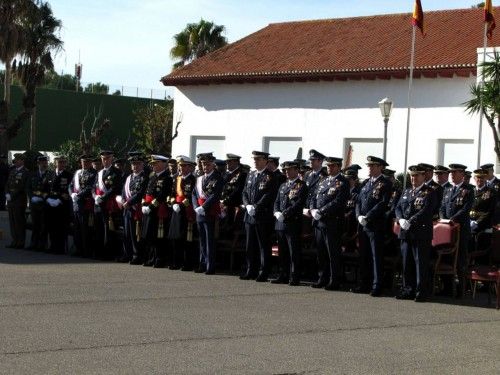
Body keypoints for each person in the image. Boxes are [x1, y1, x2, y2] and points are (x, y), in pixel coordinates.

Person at [395, 165, 435, 302]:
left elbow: (426, 211)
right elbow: (398, 207)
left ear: (424, 176)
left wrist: (411, 220)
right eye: (412, 175)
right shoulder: (406, 192)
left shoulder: (429, 192)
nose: (413, 178)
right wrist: (400, 219)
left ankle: (421, 291)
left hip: (421, 233)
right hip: (406, 232)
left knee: (420, 263)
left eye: (417, 175)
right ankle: (408, 290)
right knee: (406, 262)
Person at [354, 156, 392, 296]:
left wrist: (368, 216)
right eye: (368, 165)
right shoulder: (365, 183)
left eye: (372, 166)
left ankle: (377, 285)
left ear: (380, 167)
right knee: (364, 255)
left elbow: (382, 203)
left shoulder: (385, 183)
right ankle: (364, 283)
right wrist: (358, 215)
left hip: (375, 225)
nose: (369, 168)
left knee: (376, 256)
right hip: (363, 224)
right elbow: (358, 202)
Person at [309, 156, 349, 290]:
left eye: (332, 166)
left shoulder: (343, 182)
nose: (329, 168)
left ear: (338, 167)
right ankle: (322, 277)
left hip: (332, 222)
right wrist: (313, 209)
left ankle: (334, 280)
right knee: (321, 252)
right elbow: (314, 196)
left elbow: (338, 201)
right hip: (319, 222)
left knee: (332, 253)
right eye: (328, 166)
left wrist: (322, 210)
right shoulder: (323, 180)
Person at [241, 151, 280, 282]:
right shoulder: (251, 174)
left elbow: (269, 195)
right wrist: (247, 205)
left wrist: (256, 206)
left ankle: (263, 271)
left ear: (265, 161)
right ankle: (250, 270)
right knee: (249, 244)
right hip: (249, 215)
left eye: (258, 159)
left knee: (263, 245)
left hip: (262, 216)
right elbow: (245, 191)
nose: (255, 161)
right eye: (254, 159)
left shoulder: (271, 176)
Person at [439, 163, 474, 296]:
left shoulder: (469, 189)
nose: (452, 175)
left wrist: (452, 219)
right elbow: (442, 207)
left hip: (461, 230)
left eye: (455, 173)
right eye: (451, 173)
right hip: (447, 229)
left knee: (460, 260)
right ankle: (447, 288)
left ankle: (461, 289)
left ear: (462, 174)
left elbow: (466, 209)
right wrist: (444, 219)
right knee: (447, 257)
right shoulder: (447, 189)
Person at [272, 161, 307, 286]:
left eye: (289, 169)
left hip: (292, 222)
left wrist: (285, 214)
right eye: (285, 170)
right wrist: (276, 212)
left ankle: (294, 276)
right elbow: (276, 201)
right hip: (280, 223)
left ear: (296, 170)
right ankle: (283, 274)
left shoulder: (301, 185)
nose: (286, 172)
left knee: (293, 252)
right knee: (283, 251)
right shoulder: (283, 185)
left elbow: (298, 204)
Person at [192, 154, 224, 274]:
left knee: (209, 240)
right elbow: (194, 194)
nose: (205, 166)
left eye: (208, 164)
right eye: (203, 164)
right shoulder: (199, 178)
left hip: (209, 211)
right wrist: (196, 206)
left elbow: (215, 195)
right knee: (202, 239)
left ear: (213, 165)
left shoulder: (217, 178)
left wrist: (204, 207)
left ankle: (210, 266)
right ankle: (202, 263)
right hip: (199, 212)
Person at [141, 155, 173, 268]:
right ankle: (151, 258)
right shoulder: (152, 176)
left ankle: (159, 259)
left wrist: (151, 206)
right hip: (148, 209)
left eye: (156, 163)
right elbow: (147, 192)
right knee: (149, 235)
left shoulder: (167, 178)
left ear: (163, 164)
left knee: (158, 236)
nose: (153, 165)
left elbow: (162, 195)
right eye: (153, 164)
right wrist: (144, 204)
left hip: (158, 210)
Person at [117, 154, 149, 264]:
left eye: (138, 164)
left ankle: (136, 255)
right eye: (133, 164)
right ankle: (127, 254)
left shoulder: (144, 177)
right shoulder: (129, 177)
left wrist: (129, 202)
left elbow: (140, 193)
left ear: (142, 165)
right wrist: (122, 200)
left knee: (136, 234)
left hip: (136, 209)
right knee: (126, 233)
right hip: (127, 209)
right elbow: (123, 191)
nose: (135, 166)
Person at [93, 150, 124, 260]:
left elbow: (115, 188)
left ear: (111, 159)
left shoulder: (116, 172)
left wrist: (103, 198)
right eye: (103, 158)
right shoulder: (99, 173)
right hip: (98, 204)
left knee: (108, 229)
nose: (105, 160)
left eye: (107, 158)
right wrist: (95, 197)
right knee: (98, 228)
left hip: (109, 205)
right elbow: (94, 187)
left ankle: (108, 253)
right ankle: (99, 252)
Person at [168, 155, 197, 270]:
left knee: (186, 238)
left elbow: (192, 196)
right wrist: (173, 203)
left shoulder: (193, 180)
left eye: (184, 166)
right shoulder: (177, 179)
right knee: (175, 237)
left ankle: (187, 263)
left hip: (187, 211)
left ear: (190, 167)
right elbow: (171, 194)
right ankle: (175, 261)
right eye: (180, 166)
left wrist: (181, 205)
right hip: (176, 210)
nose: (181, 168)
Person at [70, 155, 97, 257]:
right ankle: (78, 248)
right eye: (83, 162)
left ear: (90, 163)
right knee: (77, 228)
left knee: (85, 229)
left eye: (87, 162)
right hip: (76, 204)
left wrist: (78, 195)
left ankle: (86, 250)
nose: (84, 164)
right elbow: (71, 185)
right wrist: (72, 194)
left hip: (86, 204)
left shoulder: (93, 173)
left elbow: (90, 187)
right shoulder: (77, 173)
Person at [45, 156, 73, 254]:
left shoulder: (69, 175)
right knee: (51, 226)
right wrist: (47, 198)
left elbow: (69, 190)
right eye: (59, 162)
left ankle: (60, 248)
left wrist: (60, 199)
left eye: (63, 162)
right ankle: (52, 246)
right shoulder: (50, 174)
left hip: (61, 205)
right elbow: (46, 188)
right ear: (55, 163)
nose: (61, 164)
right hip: (50, 203)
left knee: (61, 227)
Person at [469, 168, 497, 258]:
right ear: (474, 178)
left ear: (485, 178)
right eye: (477, 177)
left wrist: (477, 222)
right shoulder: (469, 191)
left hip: (483, 226)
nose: (479, 180)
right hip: (469, 224)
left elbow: (489, 211)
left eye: (482, 178)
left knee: (481, 252)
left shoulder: (491, 192)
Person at [27, 156, 52, 251]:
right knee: (35, 225)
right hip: (34, 203)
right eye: (41, 162)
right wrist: (32, 197)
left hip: (44, 203)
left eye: (45, 162)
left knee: (43, 225)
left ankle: (42, 245)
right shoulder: (33, 174)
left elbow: (50, 189)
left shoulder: (50, 174)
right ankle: (33, 244)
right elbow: (28, 188)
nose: (43, 164)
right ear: (38, 163)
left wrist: (42, 196)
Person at [220, 154, 247, 240]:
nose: (227, 164)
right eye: (227, 162)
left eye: (229, 162)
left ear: (236, 162)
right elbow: (222, 189)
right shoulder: (226, 174)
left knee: (230, 228)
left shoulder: (242, 175)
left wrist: (225, 201)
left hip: (234, 205)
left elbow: (238, 191)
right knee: (221, 228)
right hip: (224, 205)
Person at [6, 153, 30, 249]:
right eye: (15, 160)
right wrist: (7, 194)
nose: (15, 161)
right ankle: (14, 241)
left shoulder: (25, 172)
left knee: (19, 222)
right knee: (12, 222)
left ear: (22, 161)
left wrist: (11, 195)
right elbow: (7, 184)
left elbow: (21, 187)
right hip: (11, 201)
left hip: (19, 201)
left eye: (17, 160)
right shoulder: (12, 171)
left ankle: (20, 242)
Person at [342, 168, 361, 253]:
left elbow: (357, 207)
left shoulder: (358, 193)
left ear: (354, 180)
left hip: (352, 221)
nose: (347, 181)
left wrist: (348, 214)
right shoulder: (341, 191)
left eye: (349, 179)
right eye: (346, 179)